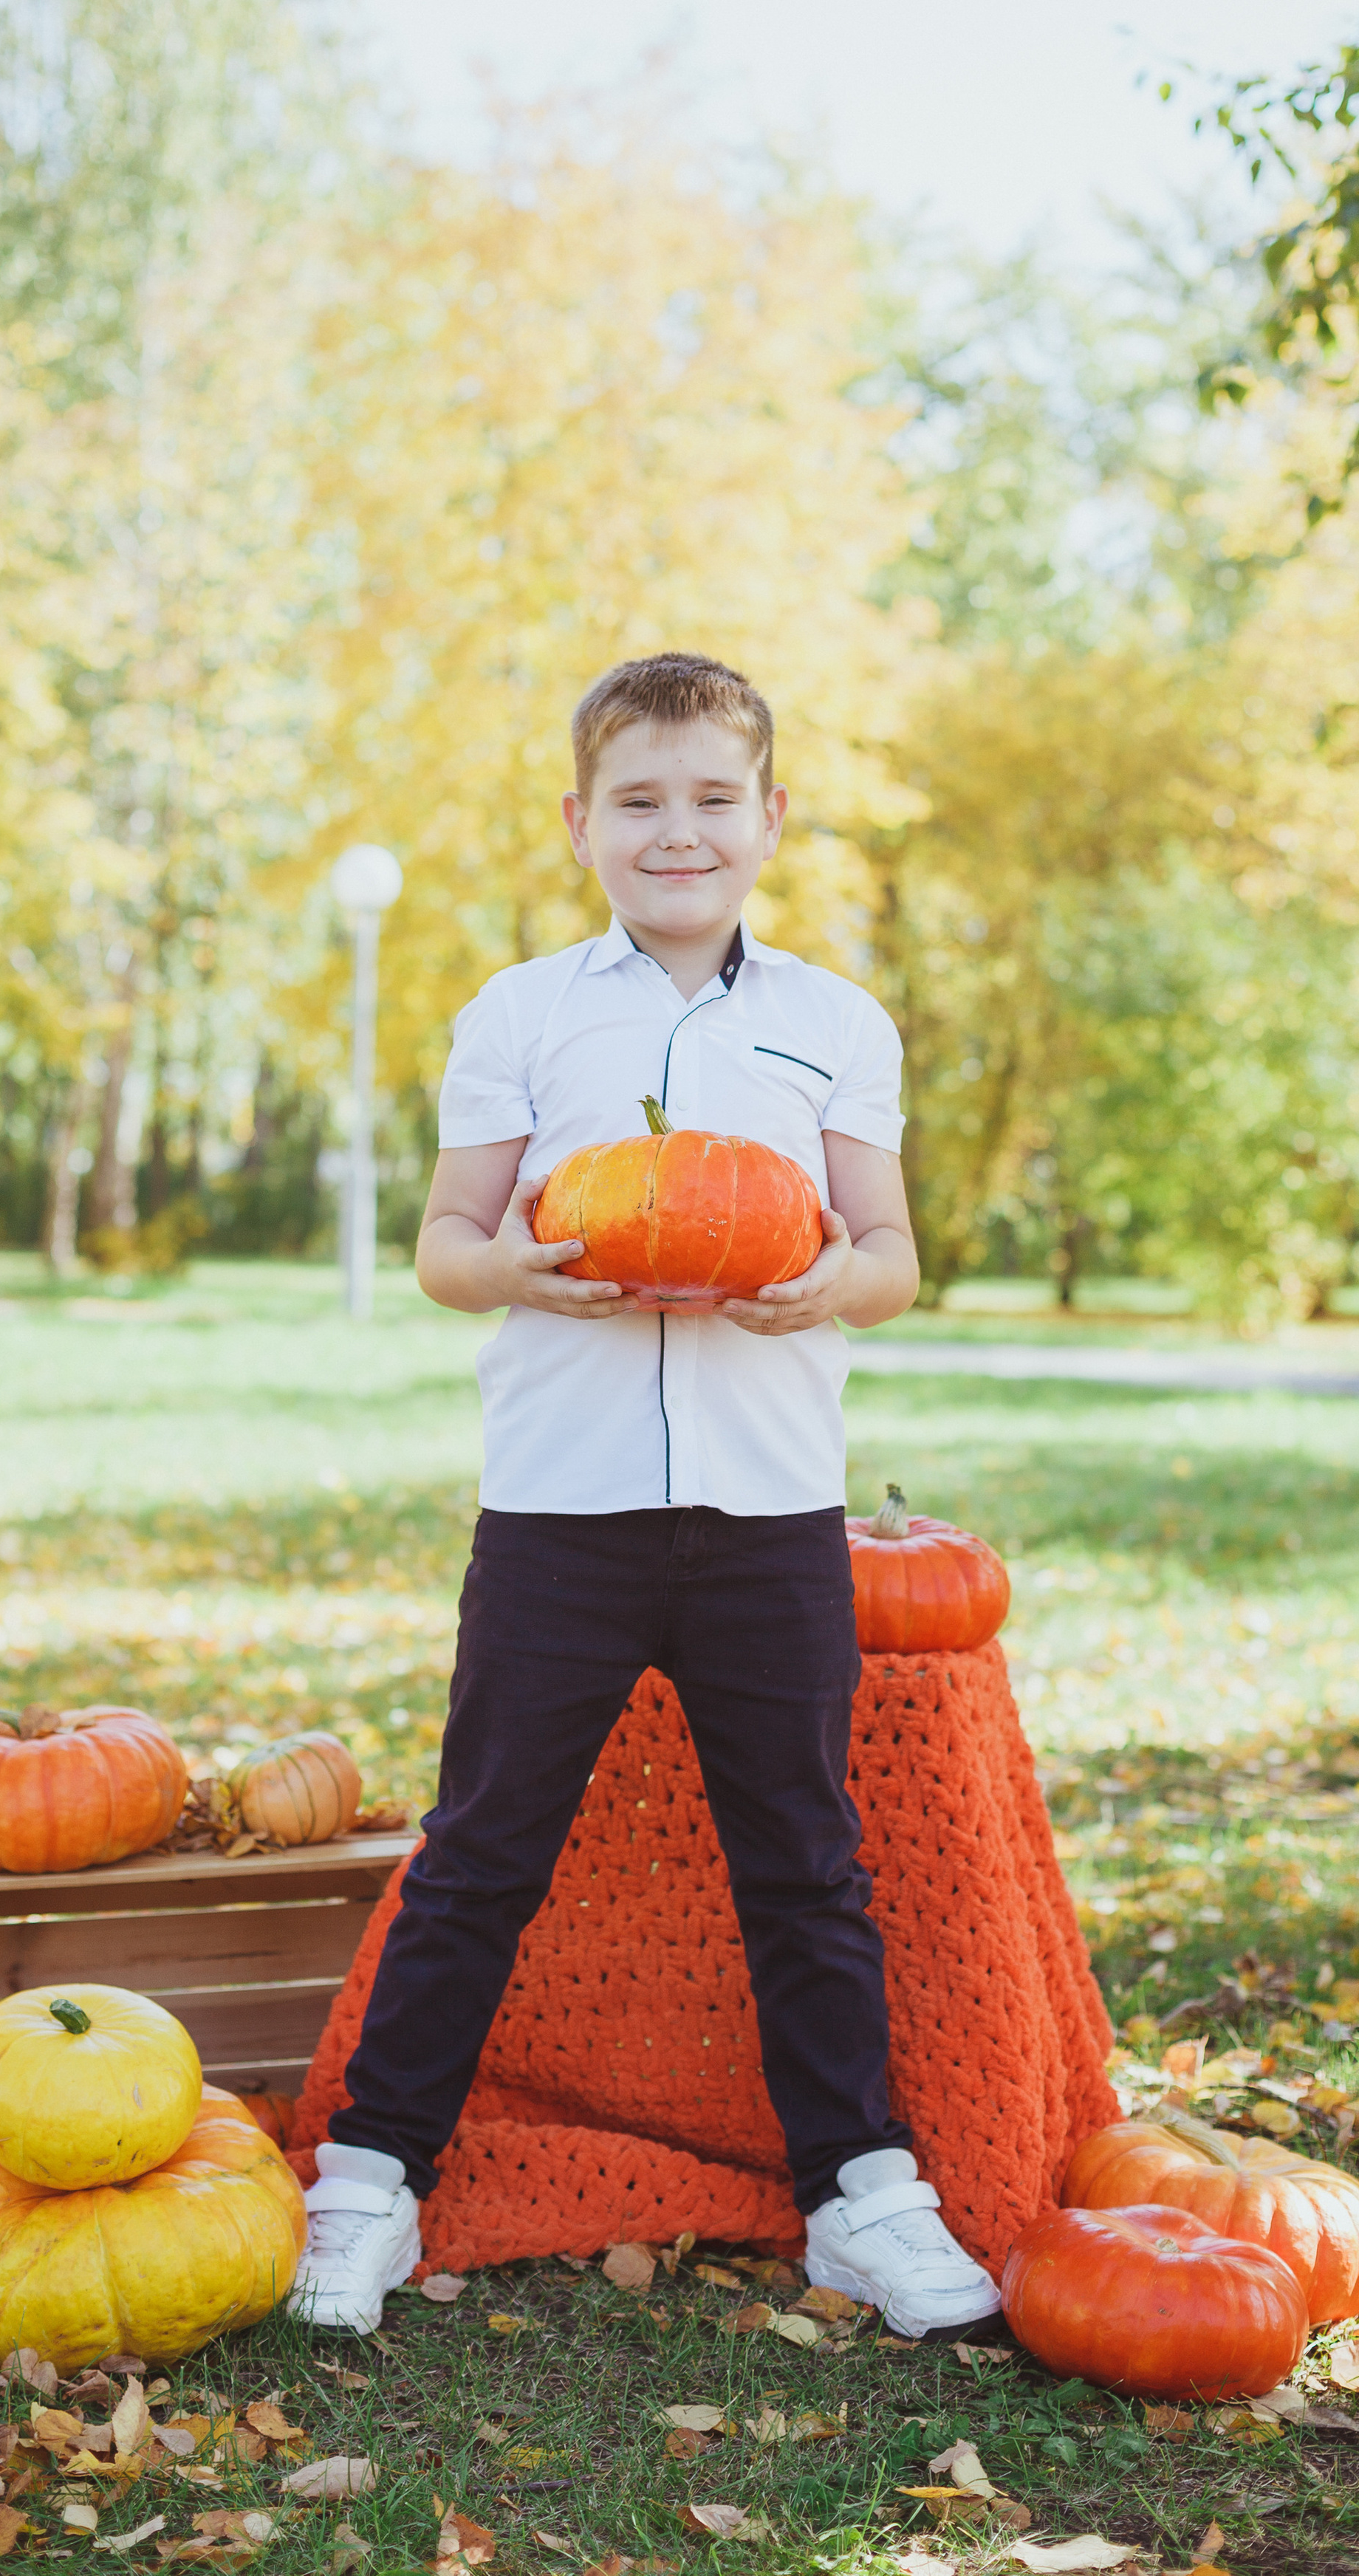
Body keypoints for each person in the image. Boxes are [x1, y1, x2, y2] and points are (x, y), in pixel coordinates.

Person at [291, 650, 1001, 2337]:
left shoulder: (834, 1024)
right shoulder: (524, 1013)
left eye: (708, 800)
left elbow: (889, 1253)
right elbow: (443, 1252)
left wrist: (829, 1288)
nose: (674, 831)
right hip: (560, 1518)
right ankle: (369, 2184)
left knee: (806, 1866)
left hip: (768, 1522)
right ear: (578, 825)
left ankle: (857, 2193)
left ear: (769, 817)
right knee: (479, 1857)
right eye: (637, 802)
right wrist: (523, 1269)